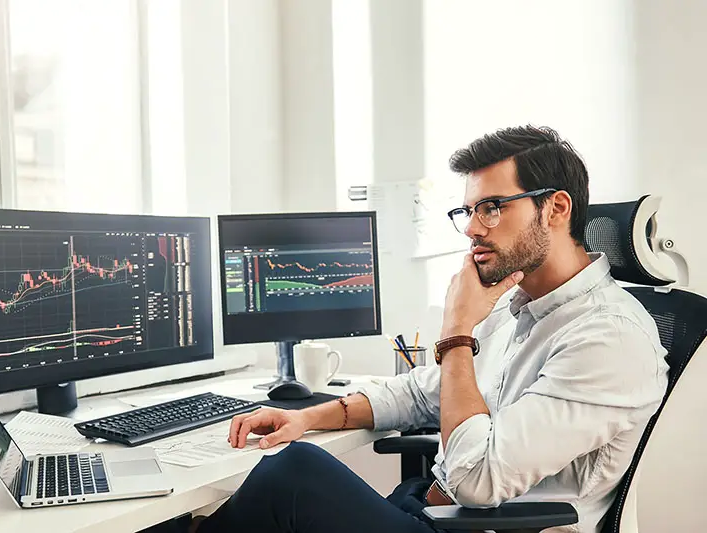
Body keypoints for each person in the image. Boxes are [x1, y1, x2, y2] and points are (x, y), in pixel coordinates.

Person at [188, 126, 669, 533]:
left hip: (477, 524)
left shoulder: (610, 337)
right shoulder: (516, 306)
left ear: (556, 208)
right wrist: (308, 418)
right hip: (430, 509)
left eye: (493, 207)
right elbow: (422, 394)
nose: (473, 229)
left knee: (290, 476)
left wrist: (457, 331)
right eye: (469, 211)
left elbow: (476, 480)